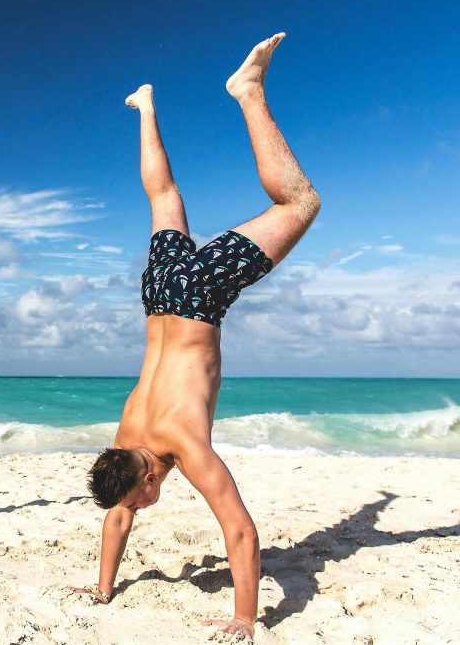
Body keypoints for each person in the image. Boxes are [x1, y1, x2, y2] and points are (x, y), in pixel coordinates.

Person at [71, 33, 321, 639]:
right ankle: (147, 106)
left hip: (197, 299)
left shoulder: (181, 444)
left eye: (138, 498)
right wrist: (103, 588)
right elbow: (116, 518)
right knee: (163, 197)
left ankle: (247, 92)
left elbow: (239, 530)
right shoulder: (126, 437)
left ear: (148, 477)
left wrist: (244, 617)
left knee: (300, 203)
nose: (136, 510)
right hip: (158, 296)